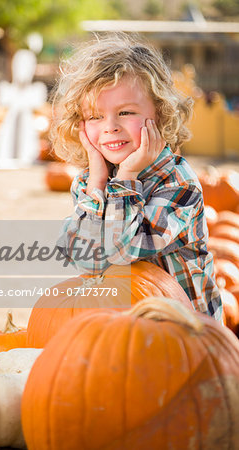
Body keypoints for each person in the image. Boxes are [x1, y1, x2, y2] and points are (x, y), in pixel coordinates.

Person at [52, 34, 222, 321]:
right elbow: (86, 261)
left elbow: (122, 252)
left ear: (159, 113)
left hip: (184, 333)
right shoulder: (90, 180)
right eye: (94, 117)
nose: (110, 127)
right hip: (121, 325)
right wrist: (96, 185)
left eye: (126, 112)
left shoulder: (178, 183)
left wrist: (127, 177)